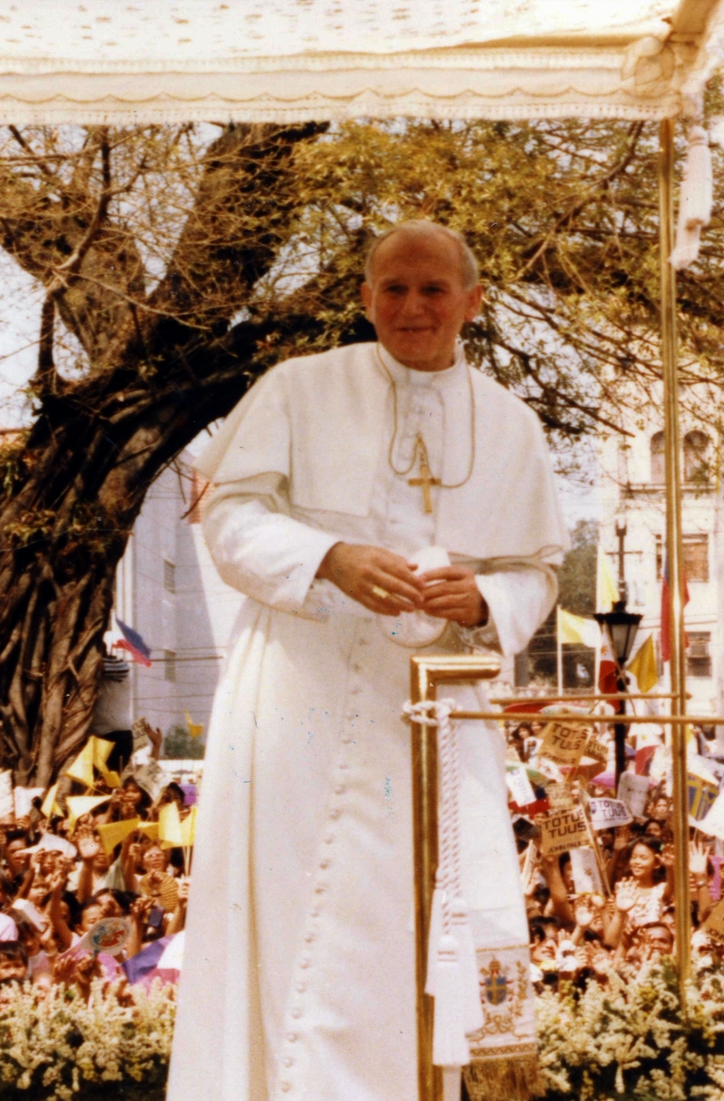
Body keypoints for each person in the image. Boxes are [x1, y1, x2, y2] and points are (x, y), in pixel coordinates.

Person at [169, 221, 566, 1101]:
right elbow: (230, 520)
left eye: (433, 290)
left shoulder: (510, 422)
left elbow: (536, 567)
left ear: (473, 300)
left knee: (424, 920)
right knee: (290, 917)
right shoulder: (296, 389)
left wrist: (486, 600)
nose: (412, 307)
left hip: (438, 712)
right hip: (298, 698)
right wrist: (328, 558)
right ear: (364, 299)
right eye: (393, 288)